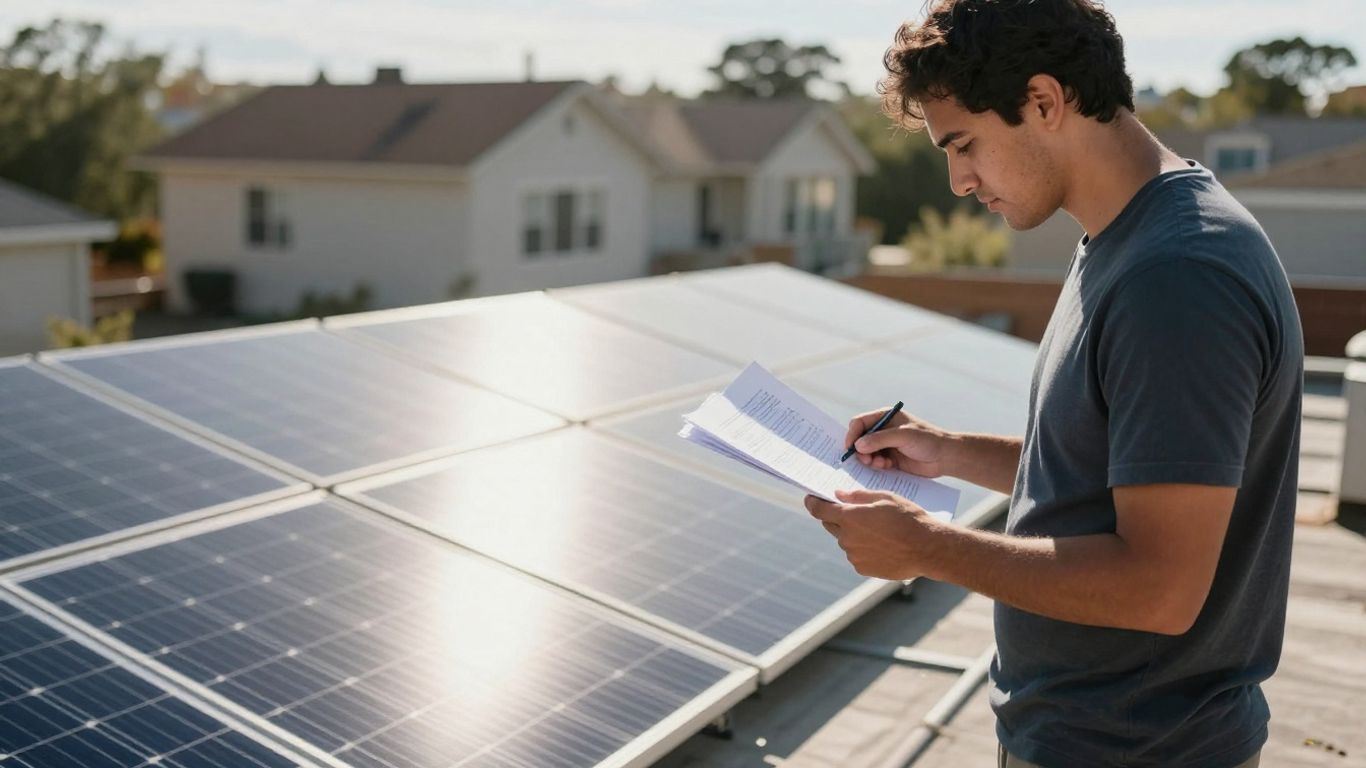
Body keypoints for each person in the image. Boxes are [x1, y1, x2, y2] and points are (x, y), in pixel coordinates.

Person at [803, 1, 1304, 766]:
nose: (959, 182)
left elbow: (1159, 587)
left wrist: (928, 548)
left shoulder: (1177, 275)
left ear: (1044, 101)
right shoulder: (1122, 239)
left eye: (964, 144)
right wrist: (948, 451)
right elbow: (1116, 474)